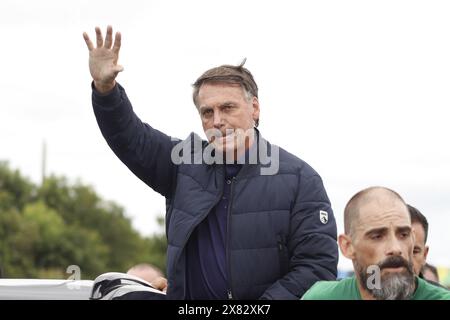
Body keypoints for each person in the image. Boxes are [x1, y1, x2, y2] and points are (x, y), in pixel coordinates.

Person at [83, 25, 338, 299]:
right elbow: (131, 138)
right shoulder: (182, 164)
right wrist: (106, 89)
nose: (217, 120)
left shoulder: (301, 179)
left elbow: (317, 267)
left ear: (254, 108)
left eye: (227, 108)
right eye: (207, 112)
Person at [302, 186, 450, 300]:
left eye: (403, 234)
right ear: (347, 246)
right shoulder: (322, 297)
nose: (395, 248)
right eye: (377, 236)